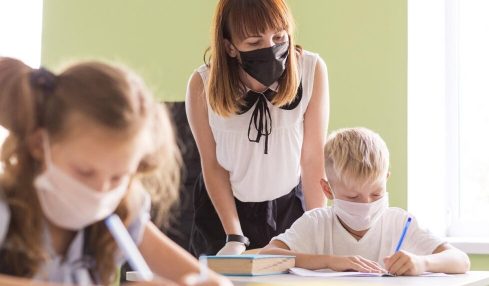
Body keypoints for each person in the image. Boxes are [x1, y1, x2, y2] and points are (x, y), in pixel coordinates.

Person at [0, 57, 231, 286]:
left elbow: (212, 282)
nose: (100, 191)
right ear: (40, 145)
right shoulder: (6, 209)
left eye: (118, 177)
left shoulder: (121, 212)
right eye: (84, 171)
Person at [186, 0, 329, 256]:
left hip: (289, 206)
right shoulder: (201, 85)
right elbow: (212, 164)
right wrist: (234, 235)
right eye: (254, 43)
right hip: (225, 212)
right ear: (230, 47)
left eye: (279, 37)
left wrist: (317, 227)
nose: (270, 49)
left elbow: (312, 157)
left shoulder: (312, 69)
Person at [260, 127, 471, 275]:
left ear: (386, 179)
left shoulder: (399, 222)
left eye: (377, 193)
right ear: (327, 189)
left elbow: (461, 260)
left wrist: (422, 263)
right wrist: (329, 261)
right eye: (352, 197)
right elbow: (267, 255)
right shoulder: (317, 223)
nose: (367, 204)